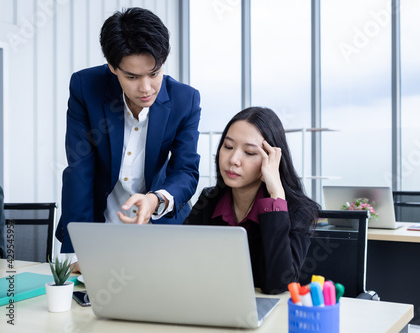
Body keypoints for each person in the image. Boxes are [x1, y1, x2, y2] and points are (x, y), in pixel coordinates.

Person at [55, 8, 201, 258]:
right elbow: (79, 169)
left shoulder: (184, 100)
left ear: (163, 61)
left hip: (161, 228)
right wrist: (77, 247)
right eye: (132, 76)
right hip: (101, 226)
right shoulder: (86, 87)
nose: (146, 88)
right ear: (112, 67)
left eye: (154, 73)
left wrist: (156, 200)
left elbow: (185, 171)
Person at [184, 107, 320, 294]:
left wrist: (276, 198)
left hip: (270, 315)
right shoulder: (209, 201)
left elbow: (278, 285)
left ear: (271, 160)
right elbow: (181, 262)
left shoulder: (298, 210)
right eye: (228, 147)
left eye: (249, 152)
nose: (233, 159)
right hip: (211, 304)